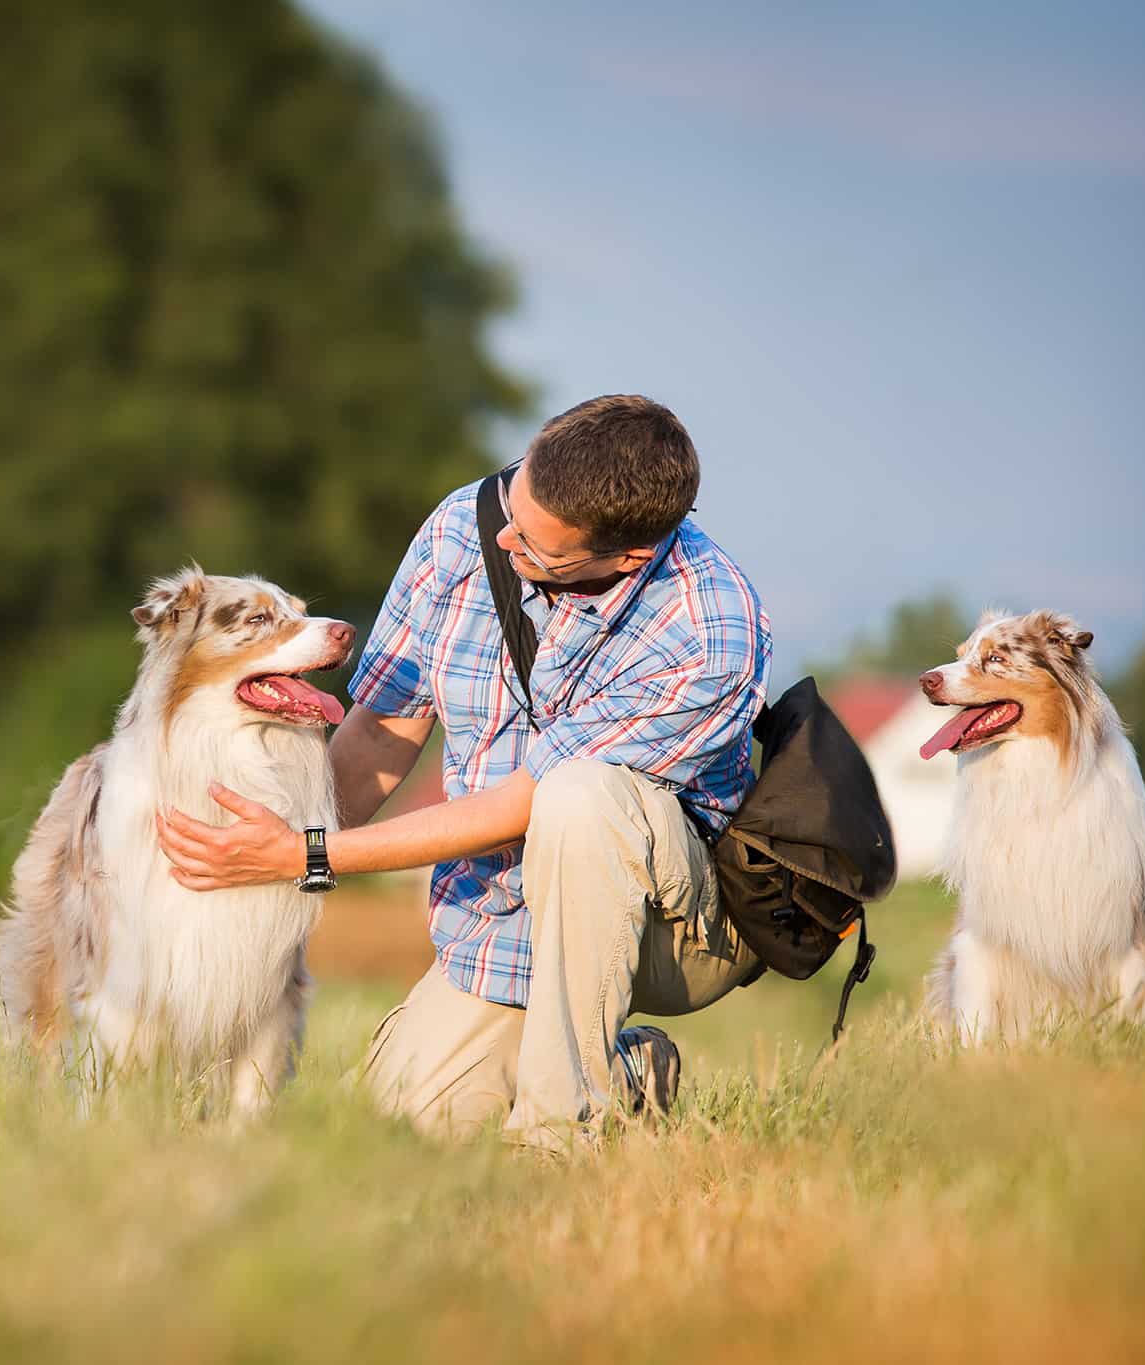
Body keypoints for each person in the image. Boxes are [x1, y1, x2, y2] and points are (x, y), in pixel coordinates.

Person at [155, 394, 771, 1147]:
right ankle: (630, 1075)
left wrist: (307, 857)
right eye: (513, 502)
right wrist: (259, 858)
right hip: (503, 913)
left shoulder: (710, 631)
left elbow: (527, 803)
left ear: (628, 557)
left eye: (536, 548)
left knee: (581, 798)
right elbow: (383, 728)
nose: (504, 539)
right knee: (400, 1132)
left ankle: (558, 1135)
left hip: (673, 922)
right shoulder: (460, 529)